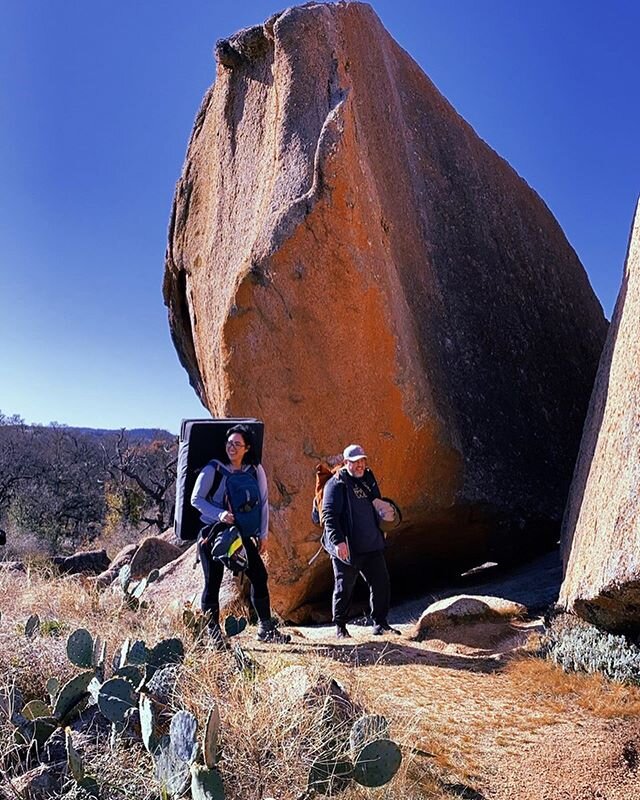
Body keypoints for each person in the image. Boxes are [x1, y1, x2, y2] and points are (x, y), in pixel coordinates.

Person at [191, 424, 290, 646]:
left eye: (237, 444)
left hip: (241, 534)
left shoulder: (254, 471)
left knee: (259, 576)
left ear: (246, 448)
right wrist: (220, 514)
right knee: (212, 582)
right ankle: (214, 635)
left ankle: (266, 629)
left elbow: (263, 503)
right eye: (229, 443)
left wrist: (263, 535)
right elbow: (196, 500)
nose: (232, 447)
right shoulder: (213, 470)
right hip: (213, 533)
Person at [322, 444, 401, 639]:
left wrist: (383, 527)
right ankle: (340, 627)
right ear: (346, 462)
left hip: (371, 544)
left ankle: (380, 623)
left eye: (362, 461)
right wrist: (338, 542)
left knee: (381, 582)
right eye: (356, 462)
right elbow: (329, 515)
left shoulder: (368, 478)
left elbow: (377, 503)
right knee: (344, 587)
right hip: (347, 547)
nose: (360, 465)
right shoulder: (336, 483)